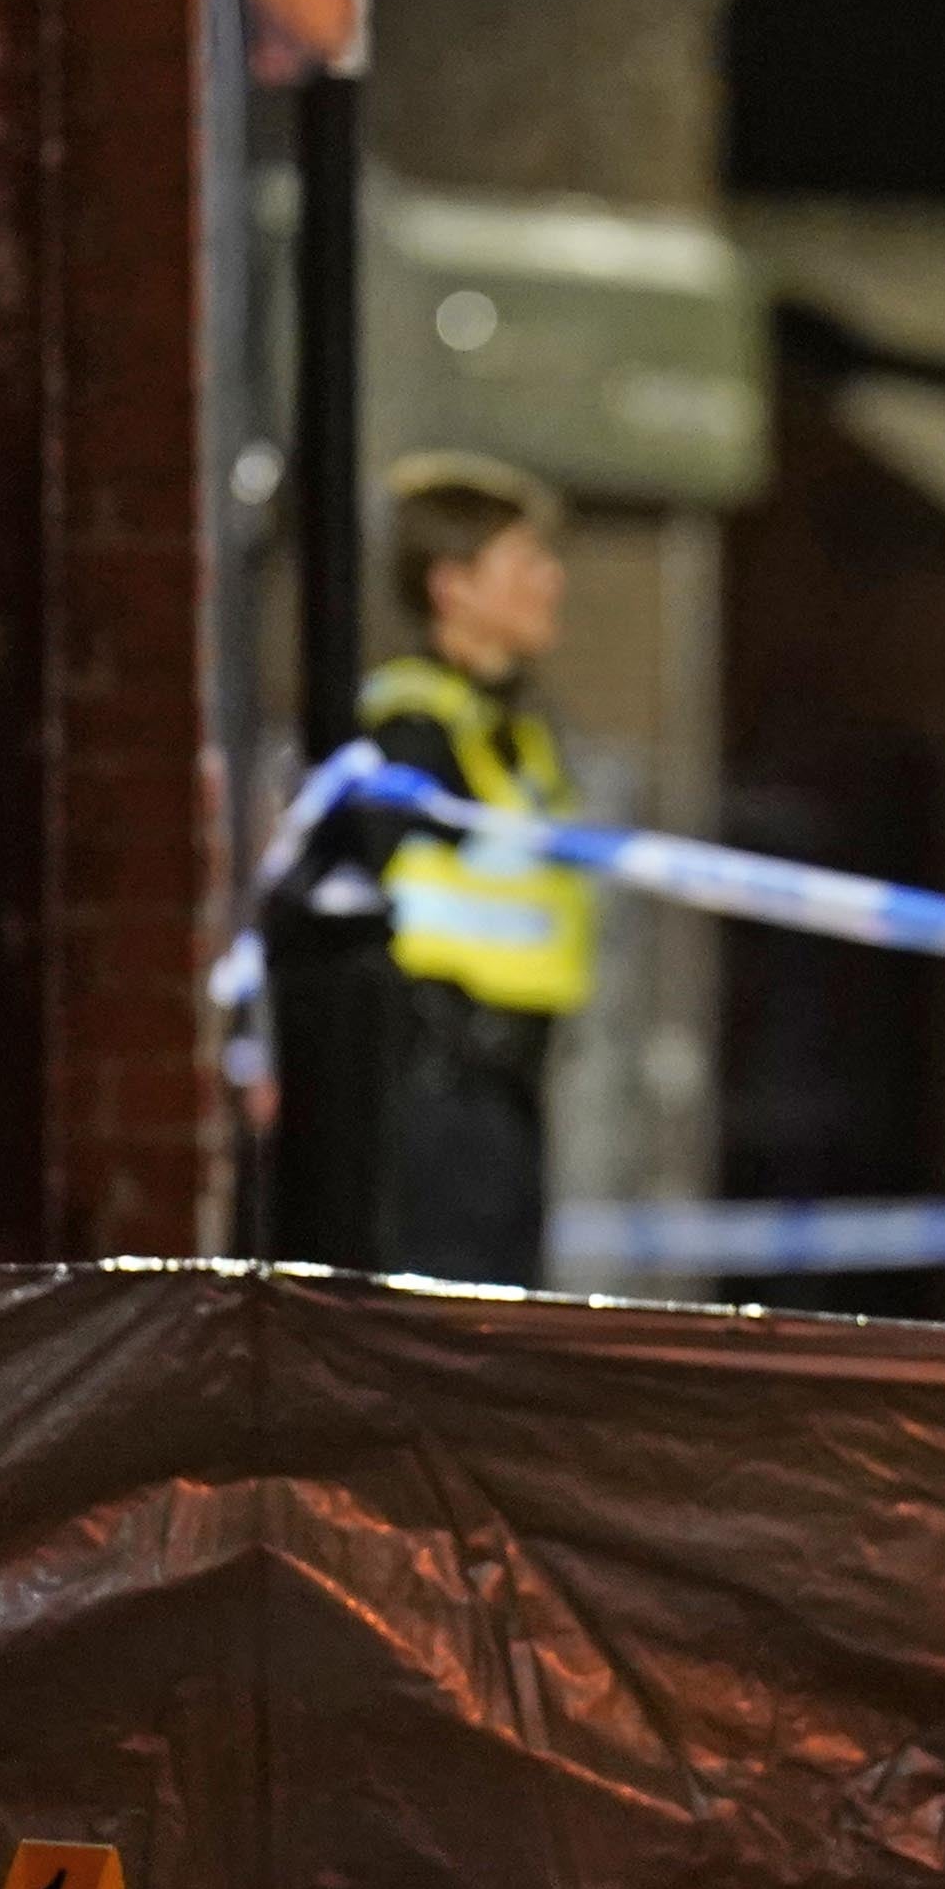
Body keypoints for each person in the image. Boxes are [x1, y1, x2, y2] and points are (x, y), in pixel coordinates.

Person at [335, 454, 596, 1286]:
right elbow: (343, 893)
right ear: (454, 587)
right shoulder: (414, 728)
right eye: (525, 562)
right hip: (435, 1081)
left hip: (504, 1086)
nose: (551, 581)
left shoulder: (510, 730)